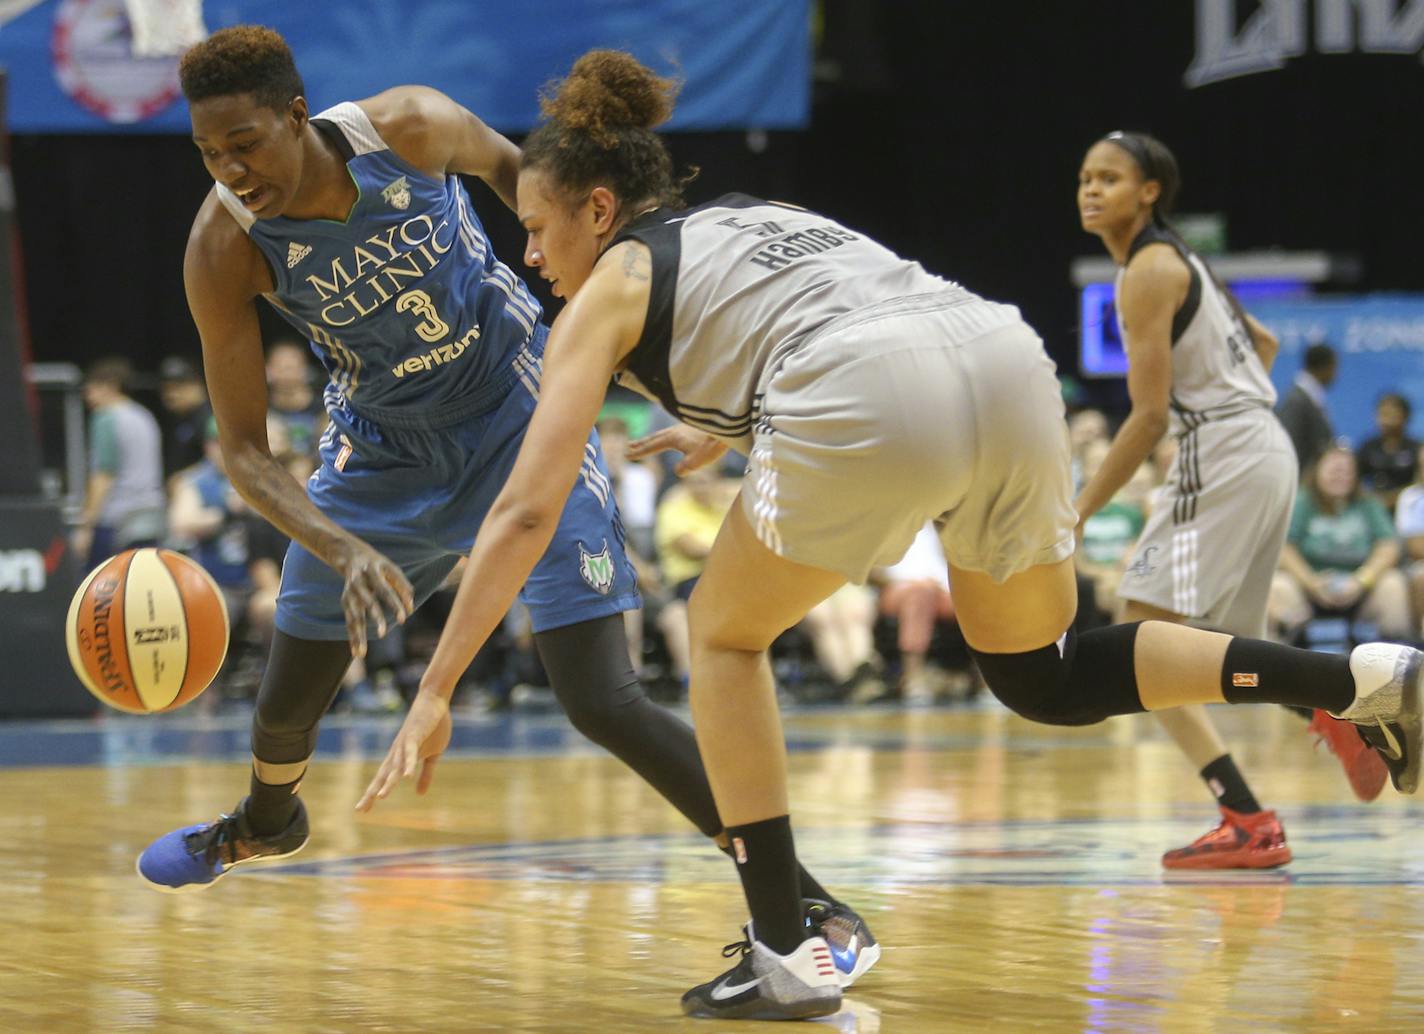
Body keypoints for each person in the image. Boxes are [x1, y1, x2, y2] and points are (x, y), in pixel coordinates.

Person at [357, 51, 1420, 1021]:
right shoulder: (750, 210)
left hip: (861, 389)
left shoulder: (610, 285)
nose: (531, 252)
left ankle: (786, 944)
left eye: (538, 229)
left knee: (719, 633)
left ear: (599, 208)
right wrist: (719, 424)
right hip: (997, 351)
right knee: (1041, 674)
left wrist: (439, 679)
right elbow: (829, 318)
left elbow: (527, 505)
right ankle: (1357, 677)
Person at [136, 27, 876, 989]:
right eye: (209, 154)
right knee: (284, 709)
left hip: (519, 410)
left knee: (603, 699)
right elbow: (240, 448)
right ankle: (266, 822)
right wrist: (332, 543)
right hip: (381, 458)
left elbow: (532, 180)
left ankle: (805, 903)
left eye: (246, 142)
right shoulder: (222, 246)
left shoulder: (407, 126)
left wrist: (600, 309)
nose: (233, 170)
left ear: (295, 115)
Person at [1076, 132, 1385, 869]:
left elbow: (1148, 417)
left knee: (1137, 642)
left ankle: (1251, 806)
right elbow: (1267, 344)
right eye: (1085, 178)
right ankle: (1321, 718)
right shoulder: (1187, 262)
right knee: (1218, 656)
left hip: (1221, 450)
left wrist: (1075, 511)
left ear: (1149, 191)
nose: (1090, 190)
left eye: (1109, 178)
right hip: (1263, 445)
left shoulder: (1146, 270)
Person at [1273, 446, 1412, 642]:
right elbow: (1284, 547)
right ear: (1317, 471)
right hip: (1309, 585)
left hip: (1360, 586)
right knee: (1278, 585)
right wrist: (1311, 582)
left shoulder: (1369, 503)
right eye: (1333, 470)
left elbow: (1388, 545)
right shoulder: (1301, 501)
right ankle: (1286, 658)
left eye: (1347, 471)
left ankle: (1393, 658)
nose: (1340, 475)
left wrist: (1362, 580)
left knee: (1393, 584)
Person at [73, 357, 167, 568]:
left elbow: (103, 475)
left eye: (92, 388)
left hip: (117, 523)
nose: (87, 395)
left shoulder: (106, 418)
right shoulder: (145, 416)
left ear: (111, 386)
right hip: (152, 517)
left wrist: (86, 526)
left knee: (103, 590)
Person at [1276, 341, 1337, 474]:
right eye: (1334, 367)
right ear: (1325, 367)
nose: (1335, 374)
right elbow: (1290, 446)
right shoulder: (1296, 401)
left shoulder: (1310, 397)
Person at [1356, 392, 1419, 510]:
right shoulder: (1368, 447)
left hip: (1408, 509)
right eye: (1381, 414)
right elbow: (1355, 479)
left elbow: (1420, 482)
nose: (1384, 420)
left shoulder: (1416, 448)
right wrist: (1370, 499)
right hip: (1375, 508)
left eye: (1390, 414)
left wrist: (1395, 498)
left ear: (1405, 416)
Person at [156, 355, 213, 485]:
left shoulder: (210, 418)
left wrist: (186, 476)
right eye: (166, 388)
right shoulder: (179, 418)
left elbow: (219, 460)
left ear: (197, 385)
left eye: (178, 387)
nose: (171, 394)